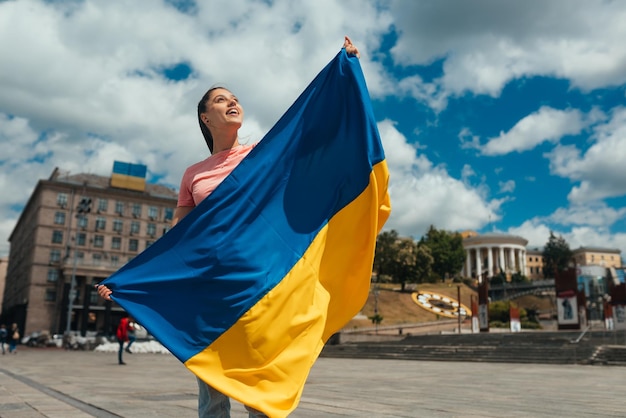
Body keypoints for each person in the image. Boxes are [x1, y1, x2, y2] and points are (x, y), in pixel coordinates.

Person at [98, 36, 360, 417]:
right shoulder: (193, 174)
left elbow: (312, 138)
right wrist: (128, 280)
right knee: (213, 388)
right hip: (211, 285)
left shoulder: (260, 156)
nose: (232, 102)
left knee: (260, 384)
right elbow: (177, 238)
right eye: (221, 99)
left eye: (234, 98)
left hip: (260, 279)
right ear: (205, 117)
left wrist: (343, 73)